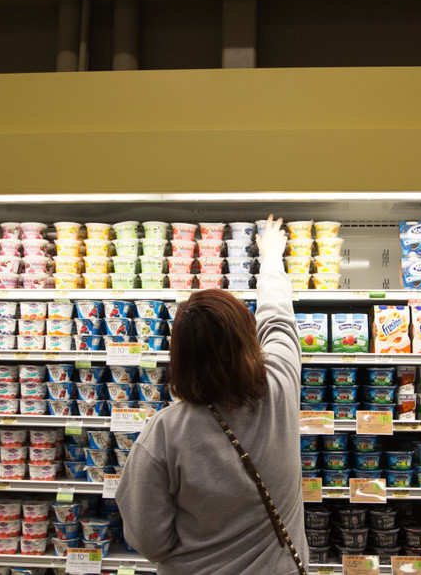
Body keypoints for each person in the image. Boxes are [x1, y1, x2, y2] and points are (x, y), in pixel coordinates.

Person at [116, 215, 308, 575]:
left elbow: (148, 539)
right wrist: (270, 257)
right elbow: (278, 317)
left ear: (180, 357)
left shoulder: (164, 433)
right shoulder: (280, 389)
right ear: (249, 341)